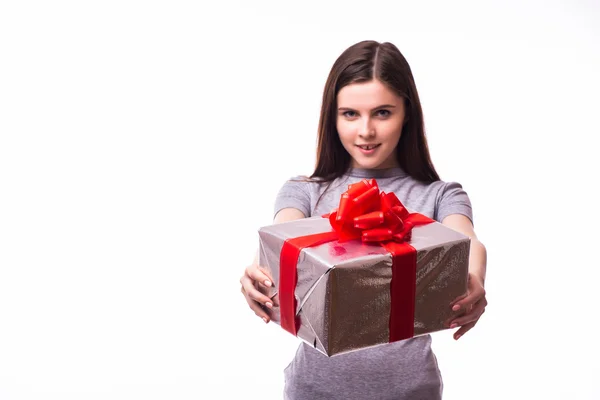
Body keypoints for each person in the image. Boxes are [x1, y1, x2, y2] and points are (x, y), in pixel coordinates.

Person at [239, 40, 488, 400]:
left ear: (407, 114)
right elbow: (282, 238)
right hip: (314, 390)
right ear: (333, 117)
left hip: (410, 390)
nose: (365, 131)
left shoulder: (440, 194)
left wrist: (475, 278)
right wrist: (256, 273)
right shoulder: (305, 191)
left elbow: (469, 242)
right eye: (350, 114)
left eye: (383, 113)